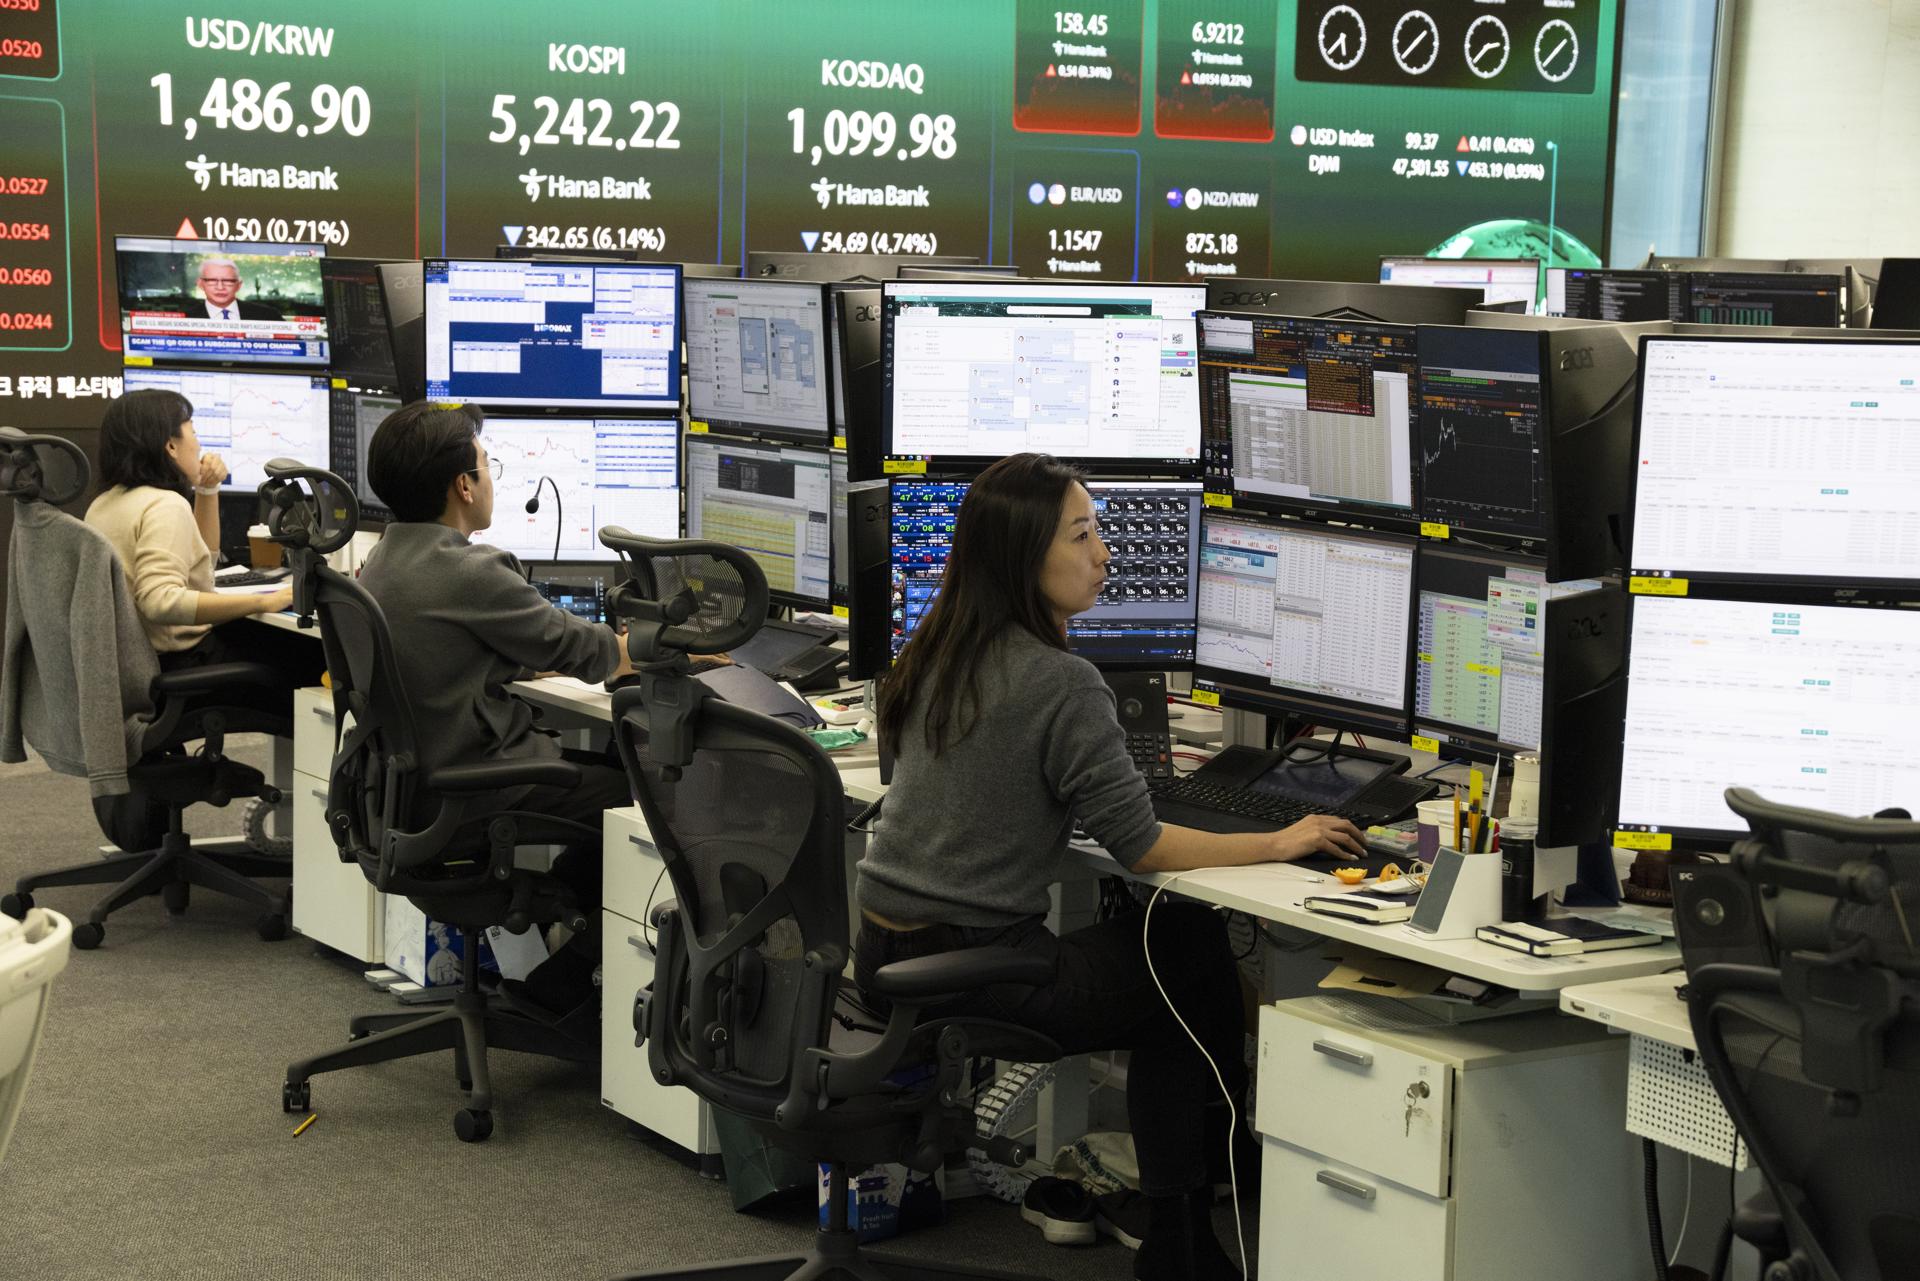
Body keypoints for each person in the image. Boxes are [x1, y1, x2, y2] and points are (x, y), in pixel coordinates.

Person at [854, 453, 1365, 1281]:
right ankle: (1183, 1240)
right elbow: (1145, 847)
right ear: (1026, 555)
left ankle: (1185, 1218)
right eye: (1083, 534)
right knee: (1186, 964)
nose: (1105, 555)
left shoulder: (938, 647)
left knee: (1156, 936)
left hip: (889, 951)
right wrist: (1279, 839)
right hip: (976, 965)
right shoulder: (1061, 682)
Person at [358, 400, 636, 1014]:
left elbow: (449, 647)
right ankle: (570, 979)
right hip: (477, 791)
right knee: (645, 806)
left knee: (608, 787)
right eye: (488, 466)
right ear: (464, 484)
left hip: (407, 795)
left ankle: (558, 960)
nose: (489, 479)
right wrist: (669, 649)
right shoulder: (471, 571)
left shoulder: (381, 558)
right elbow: (589, 652)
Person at [84, 388, 316, 708]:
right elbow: (160, 602)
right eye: (193, 432)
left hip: (135, 670)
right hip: (177, 667)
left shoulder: (105, 504)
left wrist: (207, 490)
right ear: (170, 445)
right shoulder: (163, 505)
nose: (199, 444)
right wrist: (263, 600)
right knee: (314, 662)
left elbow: (201, 570)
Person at [193, 256, 280, 321]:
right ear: (200, 284)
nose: (220, 287)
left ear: (239, 285)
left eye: (228, 281)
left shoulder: (268, 315)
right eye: (212, 280)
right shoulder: (186, 317)